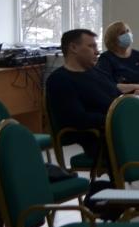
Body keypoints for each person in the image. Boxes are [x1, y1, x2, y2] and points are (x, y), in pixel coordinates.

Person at [46, 29, 121, 162]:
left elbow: (118, 98)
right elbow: (78, 119)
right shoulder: (60, 80)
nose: (97, 51)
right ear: (73, 48)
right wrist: (117, 118)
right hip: (100, 137)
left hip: (118, 128)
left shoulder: (99, 73)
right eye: (91, 46)